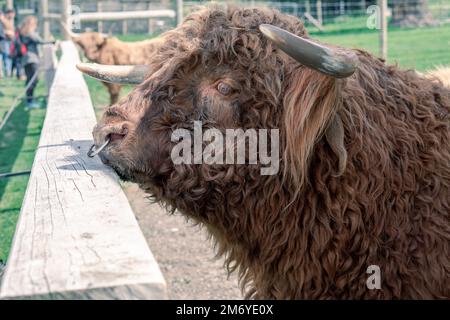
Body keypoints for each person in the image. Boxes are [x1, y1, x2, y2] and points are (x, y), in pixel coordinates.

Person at [19, 15, 54, 109]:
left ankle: (29, 100)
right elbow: (40, 41)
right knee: (33, 80)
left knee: (30, 80)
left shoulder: (24, 33)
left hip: (27, 60)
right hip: (32, 59)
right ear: (31, 24)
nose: (36, 26)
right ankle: (30, 101)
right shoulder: (30, 33)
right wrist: (52, 42)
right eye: (35, 24)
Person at [0, 9, 15, 77]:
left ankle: (8, 72)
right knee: (6, 56)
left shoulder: (7, 21)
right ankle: (6, 72)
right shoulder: (4, 21)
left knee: (7, 57)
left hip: (6, 40)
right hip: (4, 40)